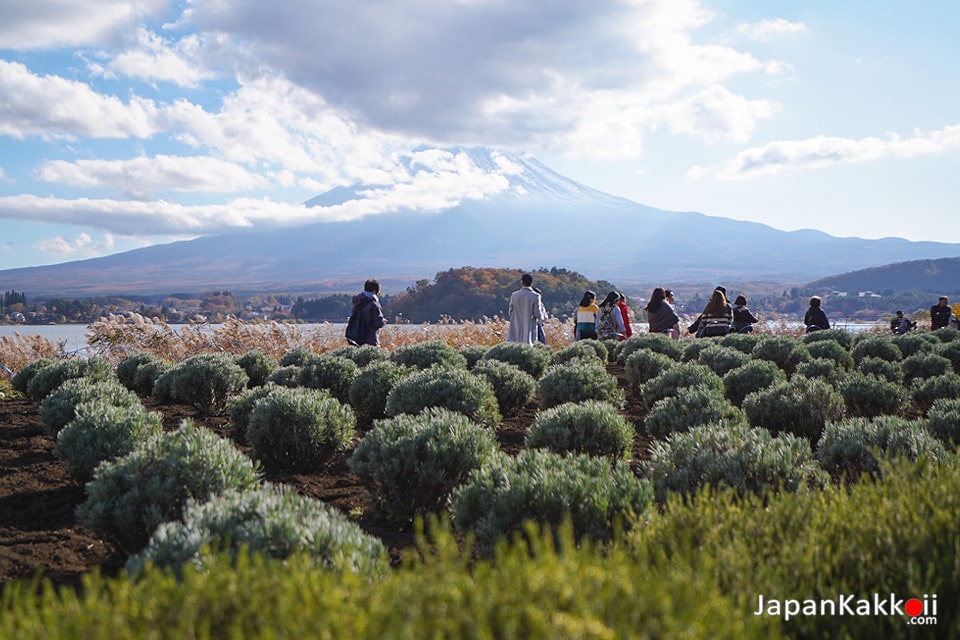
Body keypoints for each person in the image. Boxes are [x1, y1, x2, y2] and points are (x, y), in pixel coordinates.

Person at [507, 274, 546, 345]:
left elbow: (510, 311)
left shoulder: (514, 295)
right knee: (529, 343)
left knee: (515, 343)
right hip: (530, 325)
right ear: (532, 283)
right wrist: (541, 318)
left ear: (522, 282)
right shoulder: (536, 296)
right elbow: (538, 313)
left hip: (516, 324)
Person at [348, 278, 386, 346]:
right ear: (375, 291)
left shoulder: (358, 301)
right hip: (370, 340)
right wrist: (383, 321)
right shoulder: (373, 304)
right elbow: (378, 323)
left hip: (355, 338)